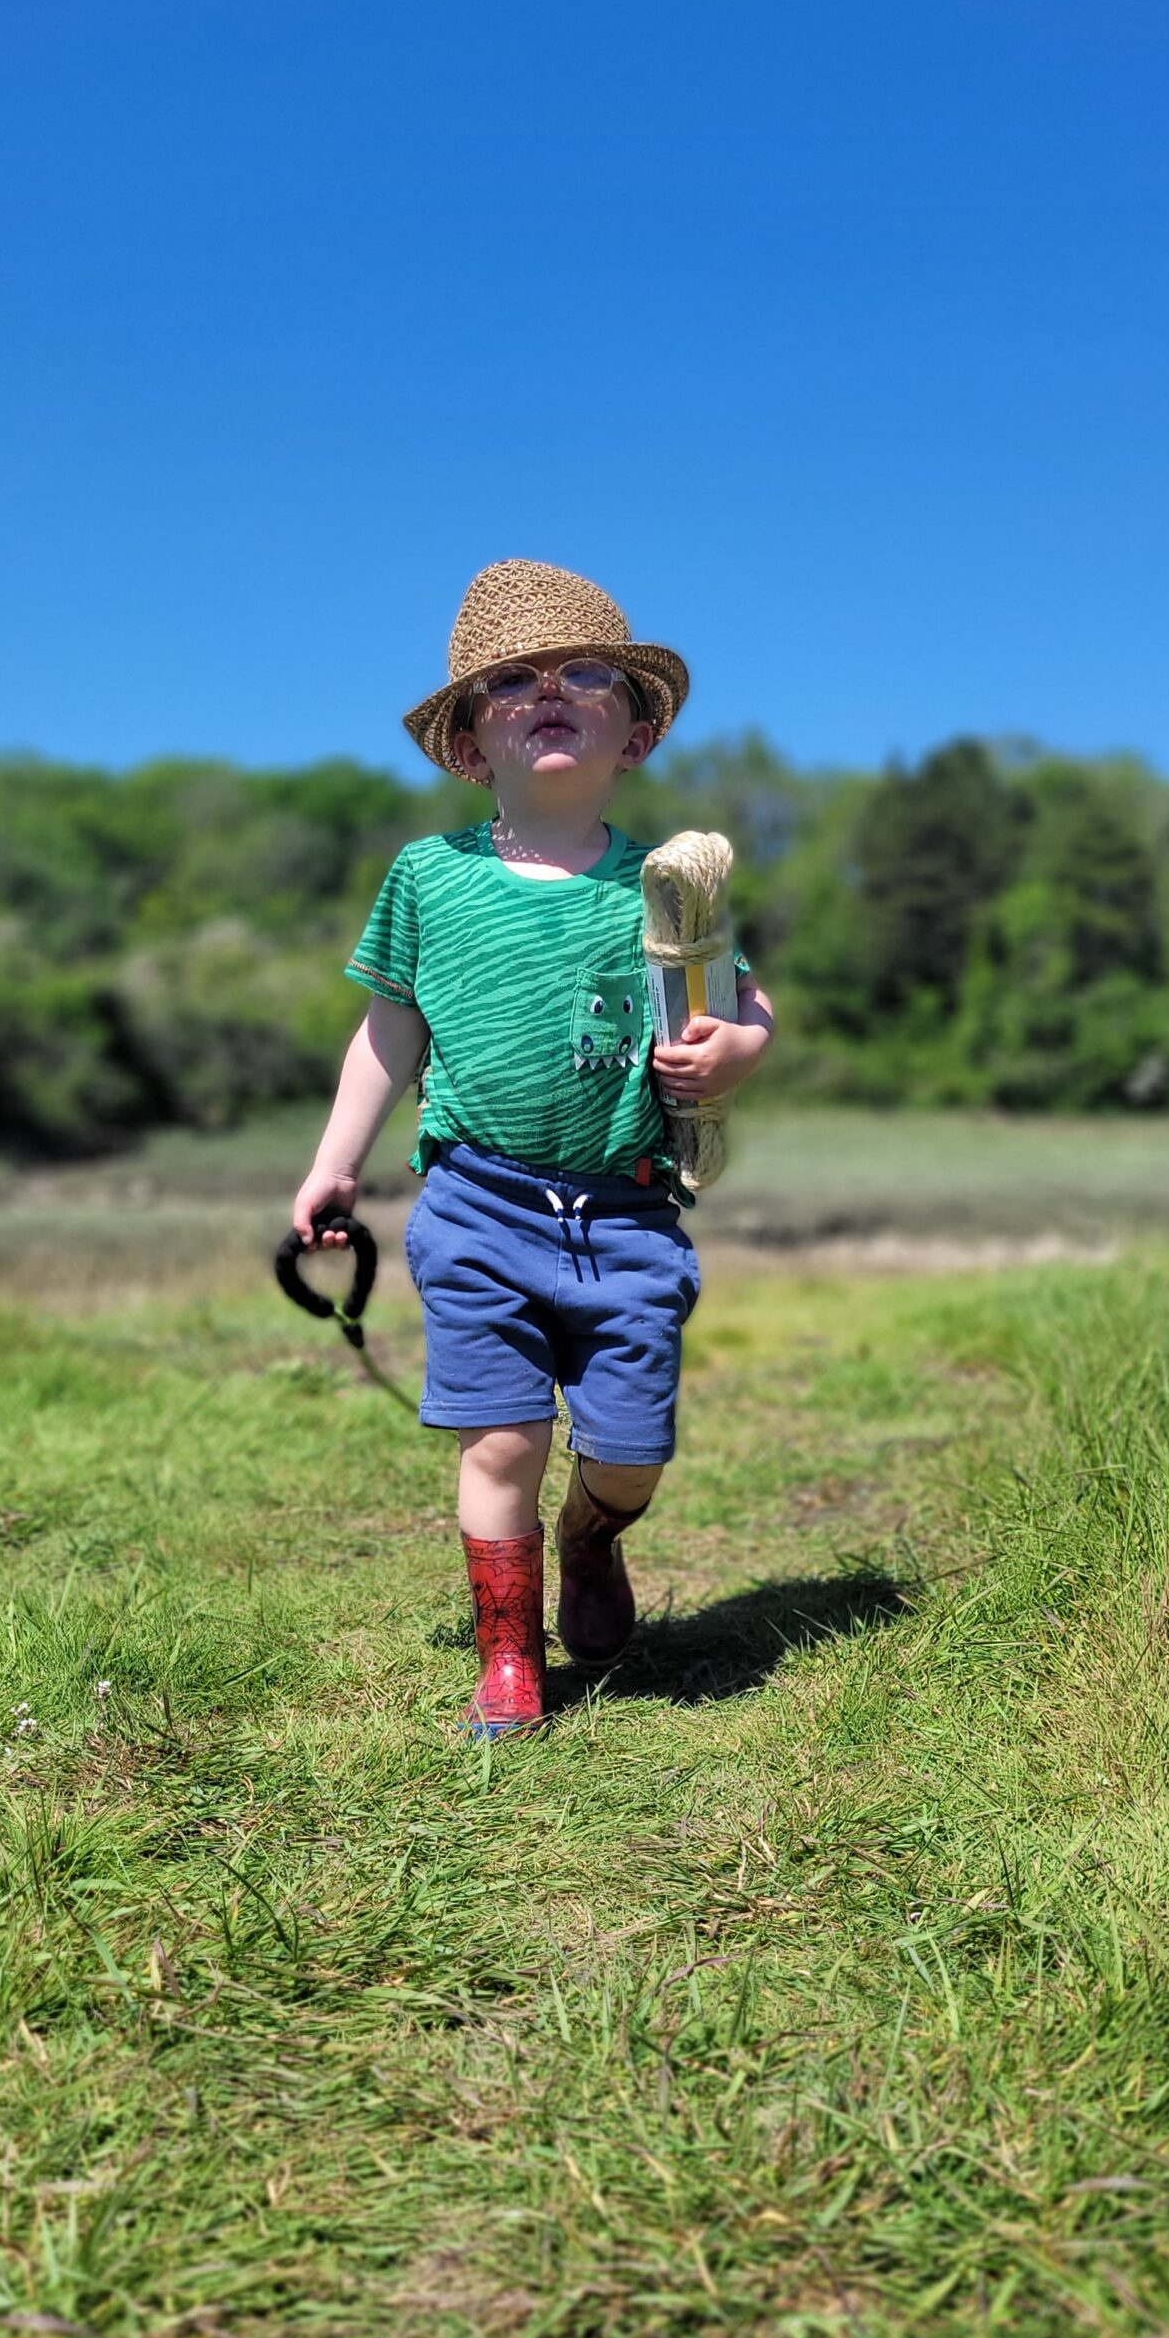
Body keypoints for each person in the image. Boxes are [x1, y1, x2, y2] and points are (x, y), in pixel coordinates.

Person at [290, 558, 775, 1738]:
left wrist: (732, 1056)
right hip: (477, 1202)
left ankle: (591, 1535)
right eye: (510, 680)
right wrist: (335, 1160)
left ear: (638, 729)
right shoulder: (431, 878)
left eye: (586, 674)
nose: (547, 693)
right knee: (499, 1437)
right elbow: (388, 1027)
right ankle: (510, 1661)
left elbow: (746, 1008)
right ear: (469, 742)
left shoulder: (663, 888)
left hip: (626, 1211)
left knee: (631, 1454)